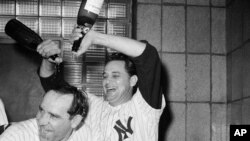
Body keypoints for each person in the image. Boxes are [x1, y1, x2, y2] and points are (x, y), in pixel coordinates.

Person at [37, 28, 165, 141]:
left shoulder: (144, 108)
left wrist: (95, 37)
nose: (107, 81)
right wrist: (48, 60)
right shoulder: (94, 106)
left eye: (115, 76)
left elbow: (149, 56)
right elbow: (54, 87)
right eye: (105, 76)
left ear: (132, 81)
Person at [0, 85, 93, 141]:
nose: (41, 121)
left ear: (75, 121)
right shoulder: (17, 135)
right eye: (41, 110)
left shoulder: (86, 134)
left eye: (53, 116)